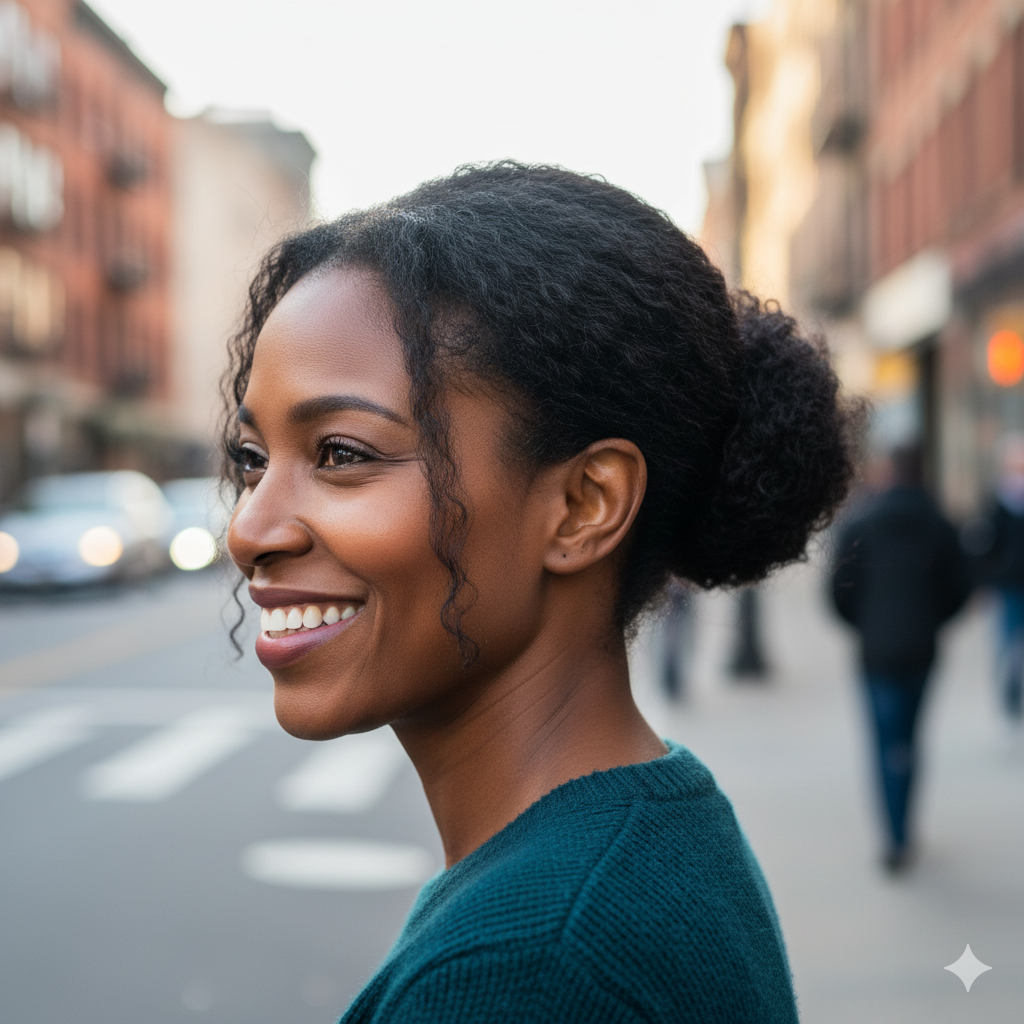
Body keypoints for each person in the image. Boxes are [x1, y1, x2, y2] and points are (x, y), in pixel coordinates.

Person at [223, 162, 859, 1022]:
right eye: (253, 461)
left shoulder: (527, 966)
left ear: (582, 506)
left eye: (341, 453)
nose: (251, 530)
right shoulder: (647, 826)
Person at [830, 444, 972, 873]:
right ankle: (904, 827)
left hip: (875, 652)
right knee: (909, 737)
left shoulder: (860, 526)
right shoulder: (941, 526)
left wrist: (867, 626)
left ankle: (894, 835)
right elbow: (960, 588)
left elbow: (839, 593)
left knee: (884, 741)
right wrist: (930, 621)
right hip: (921, 649)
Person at [962, 432, 1024, 720]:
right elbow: (984, 544)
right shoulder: (996, 499)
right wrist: (984, 582)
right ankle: (1010, 689)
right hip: (1008, 584)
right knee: (1006, 640)